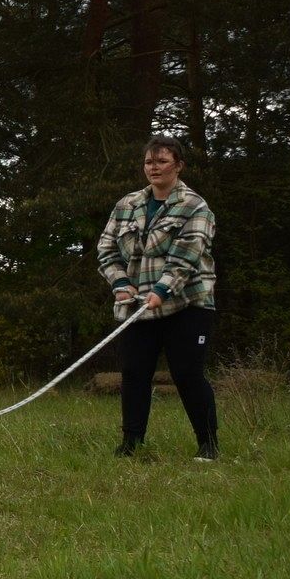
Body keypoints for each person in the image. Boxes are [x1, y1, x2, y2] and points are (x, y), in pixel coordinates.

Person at [96, 135, 218, 460]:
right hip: (137, 306)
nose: (154, 167)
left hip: (187, 303)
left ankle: (208, 444)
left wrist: (162, 290)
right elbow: (106, 247)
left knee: (187, 373)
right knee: (134, 373)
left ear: (178, 166)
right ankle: (131, 444)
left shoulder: (195, 206)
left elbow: (186, 257)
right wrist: (121, 283)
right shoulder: (127, 204)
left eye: (162, 161)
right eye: (149, 162)